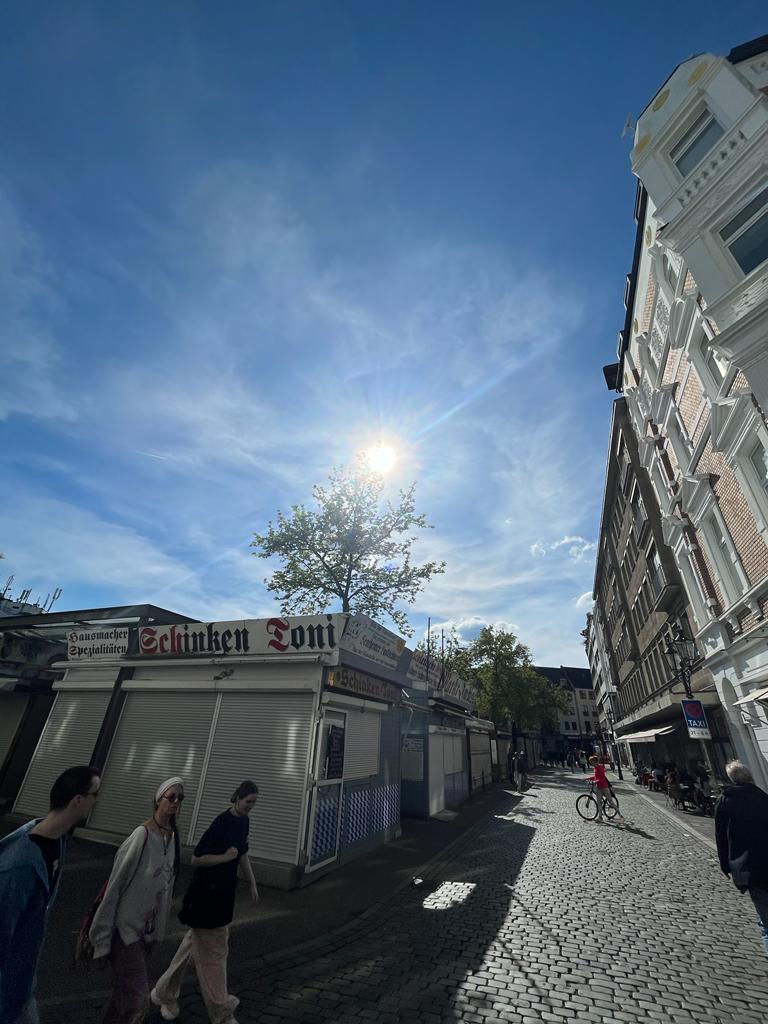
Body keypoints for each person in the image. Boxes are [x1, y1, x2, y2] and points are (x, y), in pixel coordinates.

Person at [151, 781, 260, 1024]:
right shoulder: (222, 823)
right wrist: (225, 857)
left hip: (223, 894)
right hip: (206, 897)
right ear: (237, 798)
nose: (252, 806)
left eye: (254, 802)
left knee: (192, 947)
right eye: (248, 801)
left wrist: (252, 882)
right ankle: (222, 1012)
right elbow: (197, 858)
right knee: (215, 955)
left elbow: (242, 852)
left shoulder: (244, 821)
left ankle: (163, 993)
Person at [0, 765, 101, 1024]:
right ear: (78, 801)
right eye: (95, 795)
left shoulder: (56, 842)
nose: (96, 802)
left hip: (23, 980)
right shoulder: (19, 866)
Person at [90, 777, 184, 1023]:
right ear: (158, 799)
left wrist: (160, 929)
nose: (176, 802)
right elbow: (115, 884)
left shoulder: (171, 839)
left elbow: (166, 887)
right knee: (138, 999)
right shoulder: (141, 836)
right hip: (126, 931)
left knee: (124, 994)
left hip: (147, 932)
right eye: (171, 797)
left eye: (180, 798)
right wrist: (100, 937)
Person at [715, 760, 768, 954]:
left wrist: (725, 865)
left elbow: (721, 836)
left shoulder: (725, 800)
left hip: (749, 865)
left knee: (765, 917)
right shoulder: (762, 796)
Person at [588, 755, 625, 824]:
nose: (590, 763)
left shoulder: (600, 767)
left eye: (591, 761)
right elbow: (596, 776)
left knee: (611, 802)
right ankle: (600, 817)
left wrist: (595, 781)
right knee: (599, 803)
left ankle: (621, 816)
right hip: (598, 787)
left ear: (595, 761)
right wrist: (590, 778)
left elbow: (602, 778)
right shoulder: (595, 768)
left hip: (604, 787)